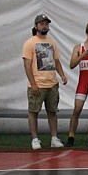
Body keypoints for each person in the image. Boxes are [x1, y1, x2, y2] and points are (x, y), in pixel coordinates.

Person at [22, 14, 68, 150]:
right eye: (41, 24)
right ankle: (35, 139)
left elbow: (57, 61)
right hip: (37, 84)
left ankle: (54, 137)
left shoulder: (52, 43)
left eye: (46, 24)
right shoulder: (30, 43)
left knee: (52, 111)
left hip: (52, 83)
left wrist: (62, 75)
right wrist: (33, 83)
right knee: (33, 111)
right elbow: (27, 65)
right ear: (36, 26)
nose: (44, 26)